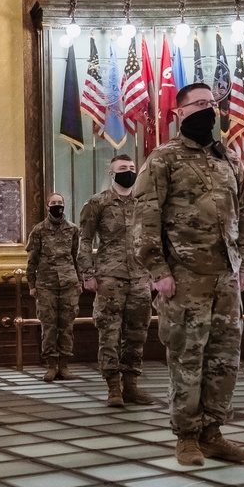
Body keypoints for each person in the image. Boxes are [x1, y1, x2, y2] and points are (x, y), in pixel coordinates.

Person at [134, 81, 244, 467]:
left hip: (226, 278)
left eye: (212, 104)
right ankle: (186, 436)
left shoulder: (229, 159)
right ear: (179, 112)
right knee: (187, 357)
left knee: (224, 358)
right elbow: (145, 218)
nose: (209, 109)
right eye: (199, 104)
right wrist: (158, 270)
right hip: (184, 278)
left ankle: (213, 431)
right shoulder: (162, 159)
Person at [80, 156, 153, 408]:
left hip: (141, 277)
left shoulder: (145, 203)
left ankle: (131, 385)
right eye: (123, 169)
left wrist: (157, 272)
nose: (129, 172)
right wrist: (87, 274)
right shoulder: (97, 203)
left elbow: (154, 239)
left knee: (137, 333)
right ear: (111, 173)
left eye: (132, 168)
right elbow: (85, 240)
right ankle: (113, 387)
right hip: (109, 276)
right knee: (109, 332)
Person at [26, 193, 82, 383]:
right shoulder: (39, 230)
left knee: (66, 325)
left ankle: (64, 365)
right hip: (46, 284)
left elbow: (77, 257)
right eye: (53, 203)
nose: (57, 206)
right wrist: (31, 284)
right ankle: (51, 365)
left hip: (68, 283)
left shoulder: (73, 230)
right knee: (49, 325)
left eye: (60, 203)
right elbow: (32, 260)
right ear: (47, 206)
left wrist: (79, 281)